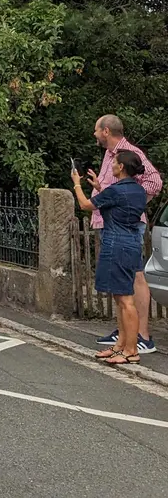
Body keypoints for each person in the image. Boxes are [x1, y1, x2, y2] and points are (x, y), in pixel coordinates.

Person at [88, 115, 162, 354]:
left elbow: (155, 181)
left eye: (97, 130)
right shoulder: (110, 155)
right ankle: (126, 333)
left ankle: (142, 336)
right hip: (111, 223)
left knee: (135, 277)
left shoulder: (129, 152)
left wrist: (132, 198)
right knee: (121, 279)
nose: (95, 135)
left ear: (106, 131)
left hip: (126, 225)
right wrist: (102, 189)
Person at [73, 150, 148, 364]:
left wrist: (77, 184)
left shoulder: (116, 191)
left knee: (125, 300)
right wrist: (99, 188)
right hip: (131, 243)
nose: (112, 165)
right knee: (120, 297)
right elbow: (118, 202)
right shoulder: (138, 190)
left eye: (114, 162)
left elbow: (86, 205)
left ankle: (131, 350)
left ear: (122, 167)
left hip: (117, 244)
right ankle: (120, 346)